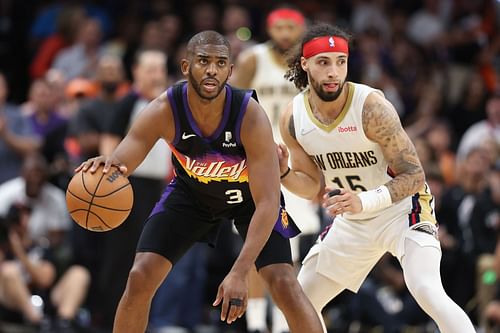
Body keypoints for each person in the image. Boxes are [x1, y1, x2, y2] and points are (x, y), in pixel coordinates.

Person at [77, 30, 323, 333]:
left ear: (230, 72)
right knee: (139, 276)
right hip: (191, 196)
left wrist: (239, 272)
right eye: (203, 61)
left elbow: (268, 203)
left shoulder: (250, 115)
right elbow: (126, 155)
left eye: (220, 63)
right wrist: (108, 167)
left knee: (284, 282)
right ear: (185, 67)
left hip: (250, 201)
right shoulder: (164, 108)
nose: (211, 70)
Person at [277, 23, 476, 333]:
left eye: (340, 62)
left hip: (402, 210)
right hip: (354, 219)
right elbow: (313, 186)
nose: (333, 72)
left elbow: (414, 174)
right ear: (305, 64)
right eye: (323, 62)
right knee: (300, 302)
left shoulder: (371, 107)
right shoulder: (293, 117)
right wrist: (285, 173)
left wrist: (365, 201)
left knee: (427, 290)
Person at [230, 6, 320, 333]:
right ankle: (255, 323)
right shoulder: (254, 58)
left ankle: (282, 324)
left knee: (288, 246)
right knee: (256, 242)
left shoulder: (310, 64)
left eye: (290, 28)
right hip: (256, 158)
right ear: (270, 28)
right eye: (278, 27)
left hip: (294, 159)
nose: (284, 33)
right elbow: (231, 102)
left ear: (301, 30)